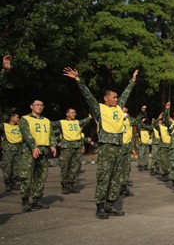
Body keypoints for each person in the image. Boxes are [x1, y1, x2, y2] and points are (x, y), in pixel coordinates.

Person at [63, 67, 138, 219]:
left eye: (117, 98)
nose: (117, 100)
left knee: (116, 178)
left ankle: (110, 204)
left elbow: (126, 93)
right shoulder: (99, 109)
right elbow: (88, 96)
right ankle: (100, 207)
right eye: (114, 97)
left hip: (119, 146)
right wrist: (78, 80)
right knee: (104, 177)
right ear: (106, 98)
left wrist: (132, 81)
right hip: (106, 147)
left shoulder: (118, 108)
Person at [19, 100, 57, 211]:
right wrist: (33, 147)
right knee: (27, 175)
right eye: (37, 105)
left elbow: (51, 135)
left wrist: (53, 145)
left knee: (41, 176)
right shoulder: (25, 119)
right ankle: (25, 200)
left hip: (44, 150)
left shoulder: (46, 120)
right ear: (31, 106)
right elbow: (27, 135)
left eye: (41, 105)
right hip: (30, 151)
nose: (39, 107)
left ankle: (36, 200)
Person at [52, 108, 92, 194]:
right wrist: (57, 141)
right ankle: (64, 186)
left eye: (75, 112)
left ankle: (71, 185)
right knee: (65, 166)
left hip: (77, 147)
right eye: (72, 112)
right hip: (67, 147)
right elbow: (48, 127)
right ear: (67, 114)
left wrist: (89, 118)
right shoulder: (61, 122)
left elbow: (84, 121)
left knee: (75, 167)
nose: (74, 114)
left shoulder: (77, 122)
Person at [1, 111, 23, 191]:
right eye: (17, 117)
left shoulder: (20, 126)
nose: (18, 118)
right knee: (7, 167)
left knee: (17, 168)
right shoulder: (4, 126)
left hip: (19, 148)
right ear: (11, 118)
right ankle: (7, 184)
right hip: (8, 149)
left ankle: (13, 183)